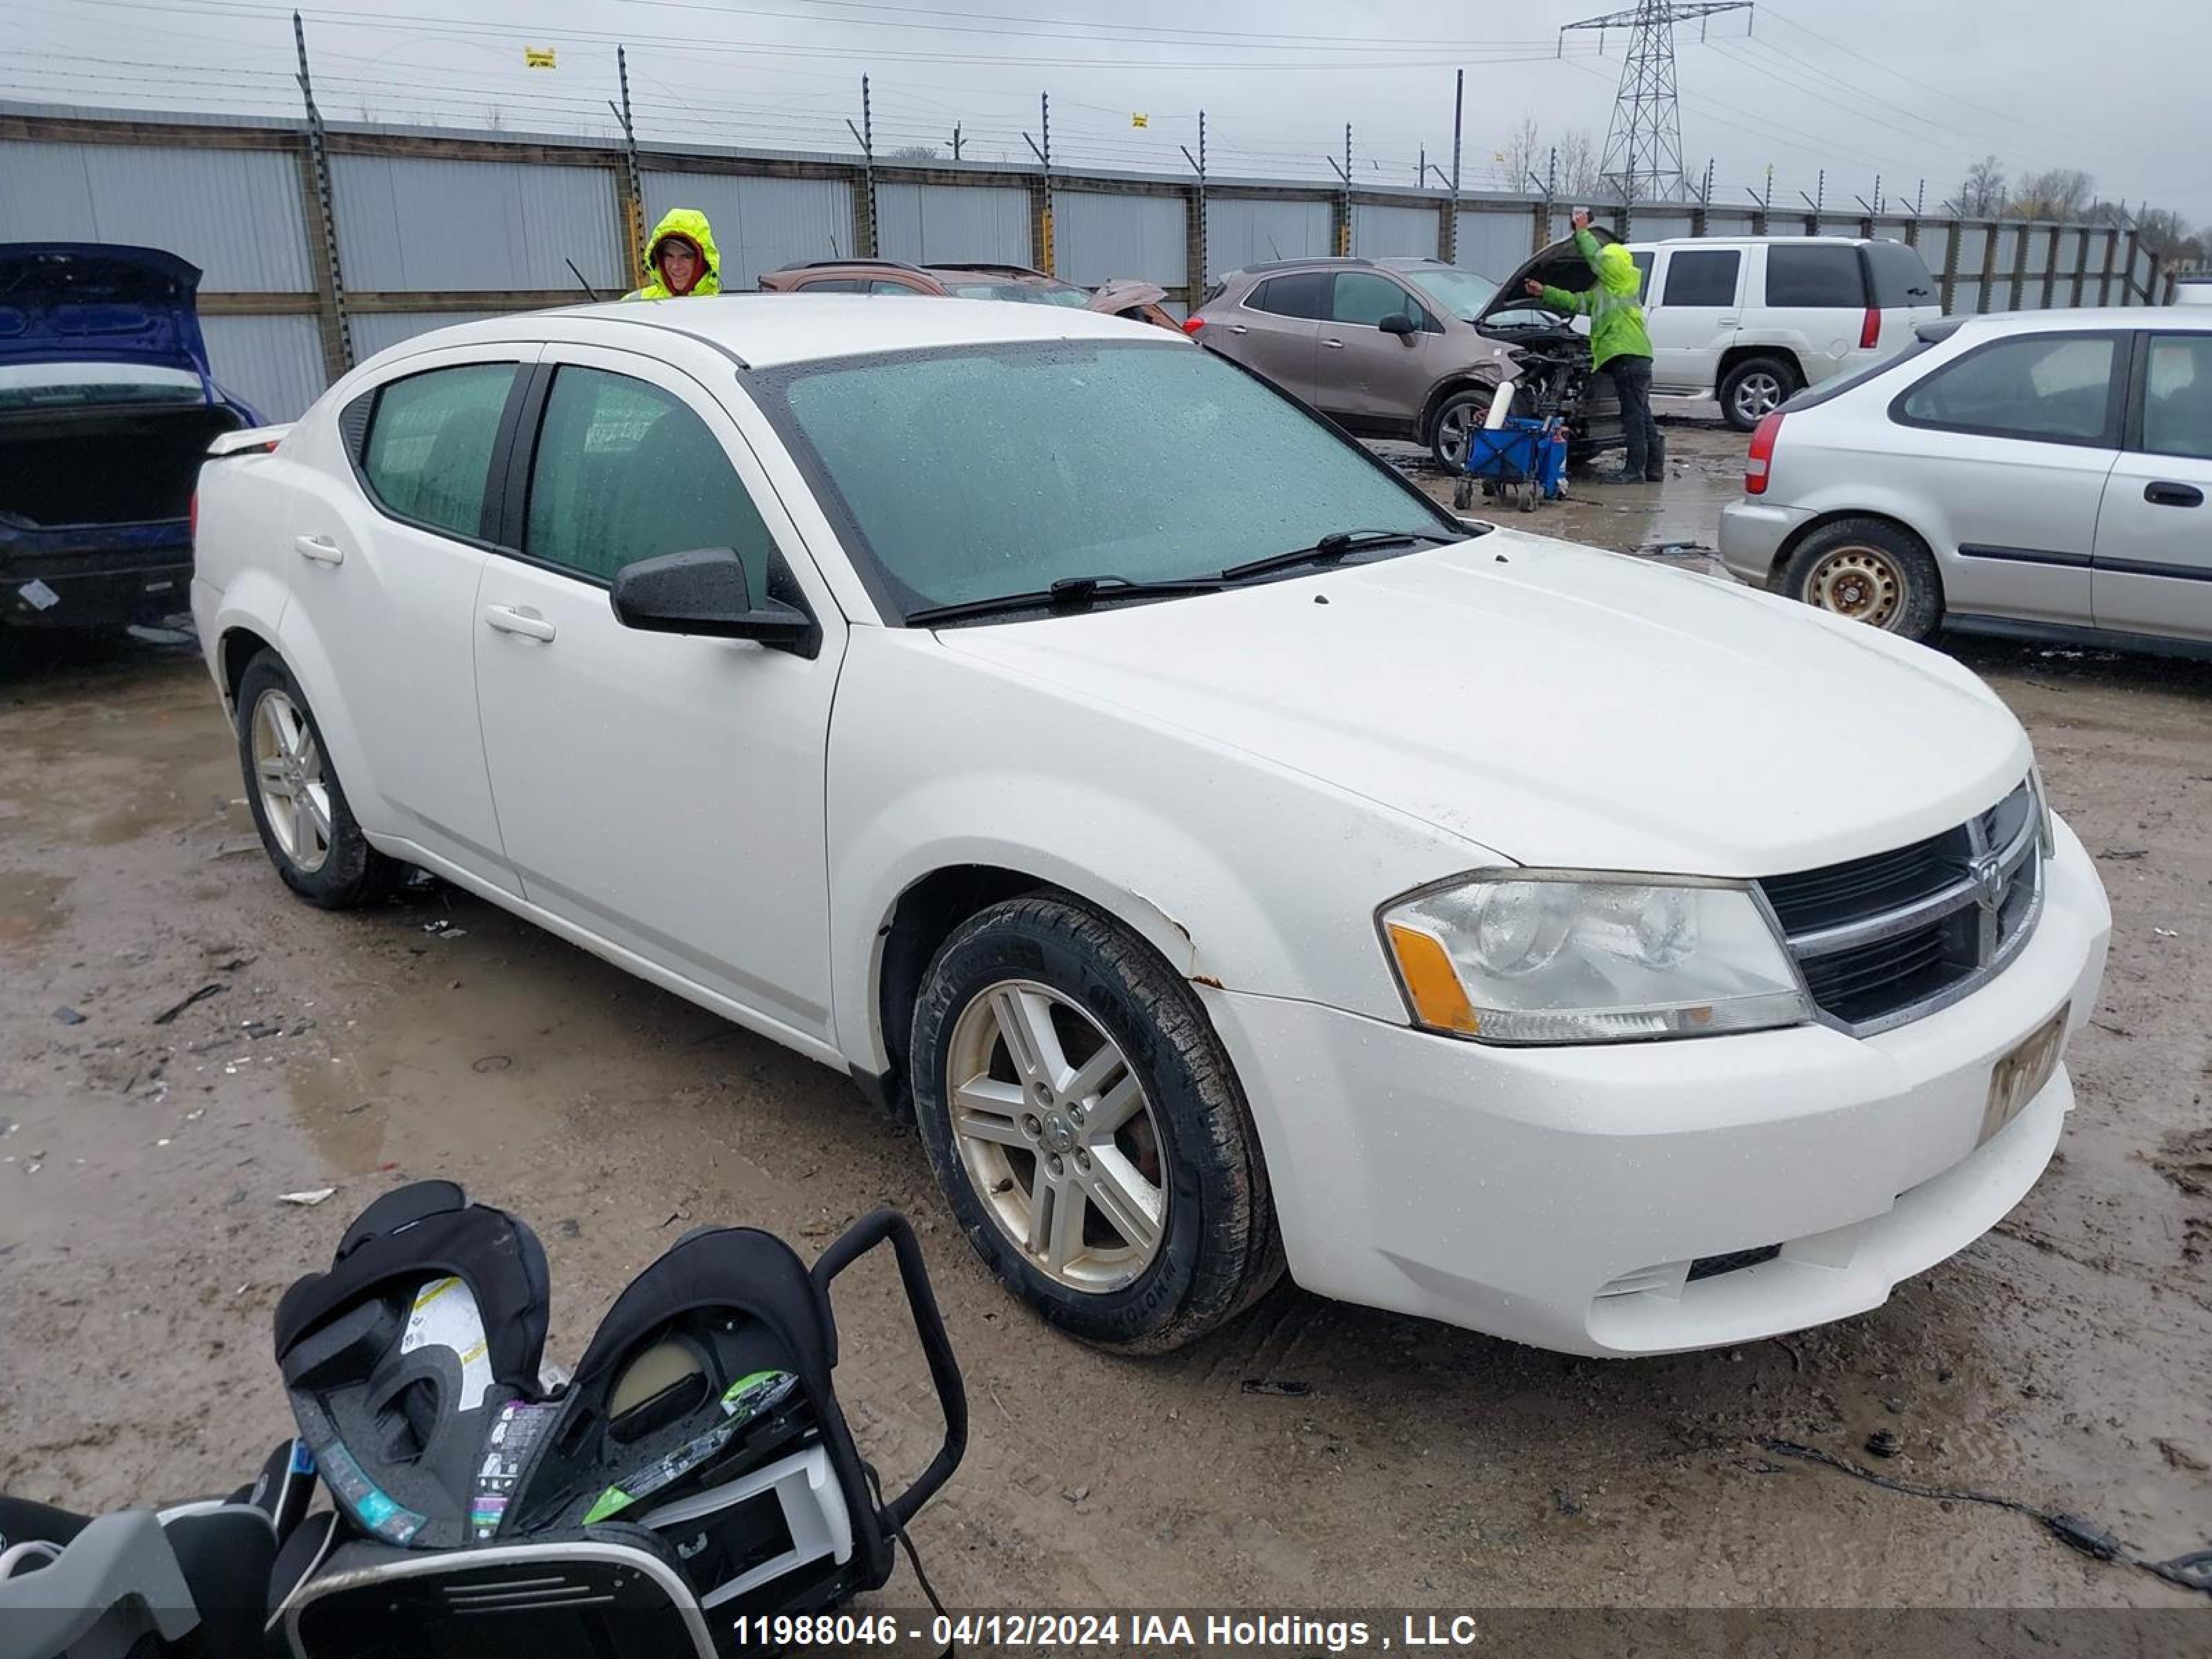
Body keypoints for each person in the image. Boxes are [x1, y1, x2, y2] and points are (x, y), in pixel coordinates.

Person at [1524, 207, 1662, 484]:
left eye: (1604, 262)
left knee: (1634, 416)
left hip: (1627, 355)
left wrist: (1582, 230)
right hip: (1632, 357)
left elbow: (1596, 258)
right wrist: (1544, 292)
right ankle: (1653, 469)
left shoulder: (1620, 277)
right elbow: (1576, 303)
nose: (1596, 267)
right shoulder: (1607, 290)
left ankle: (1635, 471)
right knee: (1641, 413)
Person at [625, 208, 721, 300]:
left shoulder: (720, 309)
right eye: (669, 256)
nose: (675, 266)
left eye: (686, 257)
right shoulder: (635, 303)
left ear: (703, 261)